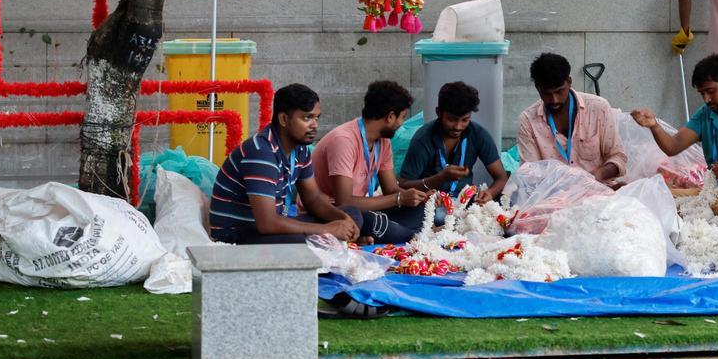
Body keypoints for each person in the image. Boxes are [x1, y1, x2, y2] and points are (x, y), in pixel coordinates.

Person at [208, 83, 362, 245]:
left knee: (352, 214)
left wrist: (343, 220)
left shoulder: (301, 149)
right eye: (306, 118)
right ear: (283, 119)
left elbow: (313, 199)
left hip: (271, 225)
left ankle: (328, 242)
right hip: (238, 234)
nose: (314, 125)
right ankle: (328, 243)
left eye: (316, 118)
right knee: (295, 241)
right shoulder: (261, 152)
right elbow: (267, 223)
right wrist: (328, 229)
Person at [630, 54, 718, 216]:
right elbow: (673, 146)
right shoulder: (706, 114)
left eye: (710, 91)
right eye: (702, 93)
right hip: (714, 192)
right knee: (655, 195)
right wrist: (654, 126)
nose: (706, 99)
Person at [311, 80, 428, 243]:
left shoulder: (384, 141)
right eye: (402, 118)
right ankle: (412, 234)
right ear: (390, 117)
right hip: (333, 212)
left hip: (363, 208)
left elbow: (391, 189)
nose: (401, 124)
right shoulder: (344, 140)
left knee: (421, 210)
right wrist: (400, 198)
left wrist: (416, 197)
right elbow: (344, 201)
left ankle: (407, 232)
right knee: (371, 221)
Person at [517, 52, 627, 183]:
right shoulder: (528, 120)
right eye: (546, 94)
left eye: (559, 91)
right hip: (553, 196)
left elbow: (618, 157)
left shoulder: (598, 108)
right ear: (537, 88)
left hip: (599, 192)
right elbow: (530, 174)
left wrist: (595, 177)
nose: (554, 100)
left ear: (569, 82)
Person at [400, 81, 510, 205]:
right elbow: (403, 185)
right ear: (439, 113)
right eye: (451, 120)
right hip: (430, 204)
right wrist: (440, 178)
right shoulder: (423, 139)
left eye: (465, 120)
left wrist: (490, 193)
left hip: (465, 202)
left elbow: (501, 178)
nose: (458, 126)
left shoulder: (478, 134)